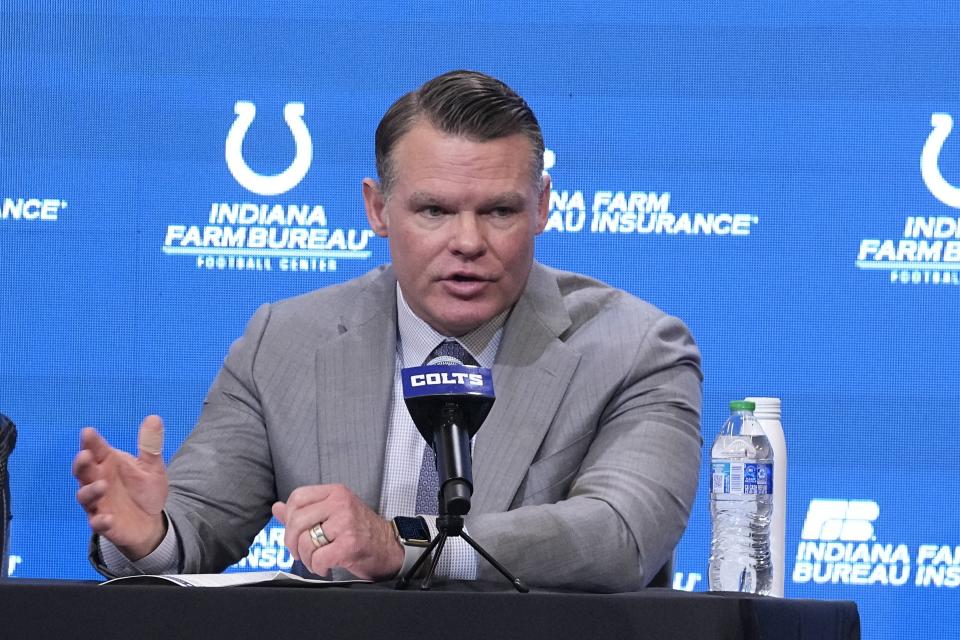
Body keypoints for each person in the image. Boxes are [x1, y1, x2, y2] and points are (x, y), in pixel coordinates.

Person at [73, 70, 702, 592]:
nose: (467, 242)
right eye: (434, 210)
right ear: (377, 208)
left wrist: (402, 543)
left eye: (499, 211)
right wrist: (149, 536)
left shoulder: (634, 348)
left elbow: (619, 535)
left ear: (541, 207)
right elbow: (197, 528)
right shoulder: (285, 340)